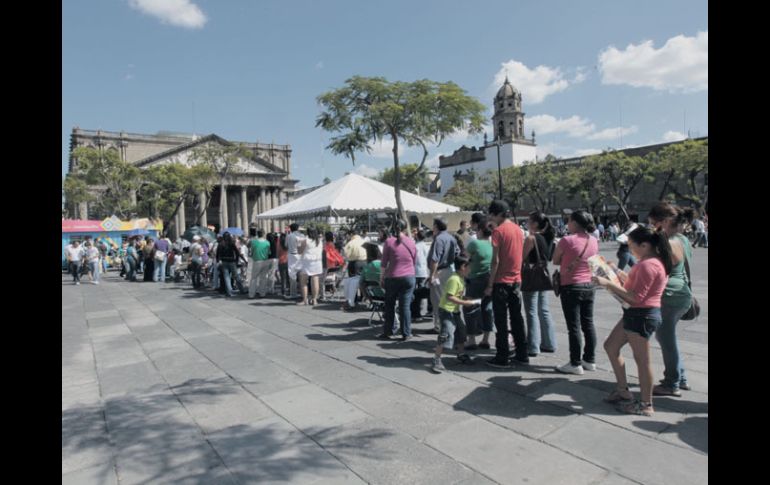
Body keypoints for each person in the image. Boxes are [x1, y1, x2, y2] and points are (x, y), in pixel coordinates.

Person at [594, 226, 673, 417]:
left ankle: (646, 405)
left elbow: (635, 297)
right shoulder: (650, 261)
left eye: (631, 246)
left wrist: (608, 283)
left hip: (641, 315)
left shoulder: (648, 265)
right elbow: (635, 283)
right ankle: (622, 390)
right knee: (611, 346)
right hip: (637, 314)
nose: (630, 250)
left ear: (644, 245)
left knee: (643, 361)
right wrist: (616, 272)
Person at [648, 203, 695, 396]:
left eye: (654, 223)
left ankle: (671, 382)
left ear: (665, 222)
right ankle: (680, 377)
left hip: (670, 295)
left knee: (666, 339)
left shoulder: (669, 242)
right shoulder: (683, 239)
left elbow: (658, 268)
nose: (652, 227)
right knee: (669, 338)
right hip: (682, 293)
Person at [552, 210, 600, 375]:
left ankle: (575, 363)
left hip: (571, 286)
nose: (567, 224)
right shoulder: (594, 240)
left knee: (573, 327)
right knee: (588, 323)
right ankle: (590, 360)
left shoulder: (566, 240)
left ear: (574, 223)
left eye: (569, 221)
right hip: (589, 284)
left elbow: (555, 260)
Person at [485, 200, 528, 368]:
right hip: (516, 280)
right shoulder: (518, 230)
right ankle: (522, 354)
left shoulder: (498, 231)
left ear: (498, 214)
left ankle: (502, 356)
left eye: (491, 214)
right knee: (517, 318)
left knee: (501, 321)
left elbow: (495, 261)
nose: (490, 217)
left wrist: (489, 284)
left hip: (501, 281)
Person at [430, 256, 478, 373]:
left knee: (461, 332)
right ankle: (436, 359)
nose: (470, 270)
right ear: (462, 267)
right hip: (446, 311)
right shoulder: (454, 279)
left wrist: (466, 299)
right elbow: (449, 296)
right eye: (469, 268)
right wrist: (464, 302)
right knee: (445, 334)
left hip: (454, 311)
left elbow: (457, 295)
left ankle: (461, 354)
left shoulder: (461, 278)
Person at [521, 212, 557, 356]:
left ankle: (533, 346)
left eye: (529, 221)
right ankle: (549, 343)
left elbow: (521, 258)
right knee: (544, 310)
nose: (527, 223)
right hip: (543, 274)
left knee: (531, 311)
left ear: (535, 223)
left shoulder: (531, 238)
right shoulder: (548, 237)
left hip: (531, 274)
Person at [380, 220, 417, 341]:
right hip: (408, 276)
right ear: (405, 228)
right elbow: (414, 260)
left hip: (393, 276)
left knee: (389, 305)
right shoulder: (411, 242)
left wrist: (381, 278)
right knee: (405, 306)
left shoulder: (389, 242)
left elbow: (384, 263)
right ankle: (406, 333)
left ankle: (388, 331)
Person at [464, 218, 494, 351]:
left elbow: (464, 258)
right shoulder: (493, 244)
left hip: (474, 279)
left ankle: (471, 339)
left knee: (470, 308)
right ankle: (486, 339)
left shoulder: (475, 244)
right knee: (487, 308)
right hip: (488, 279)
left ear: (480, 230)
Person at [428, 218, 460, 335]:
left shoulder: (439, 239)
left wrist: (432, 275)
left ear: (436, 226)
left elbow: (435, 259)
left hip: (439, 271)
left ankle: (440, 326)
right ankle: (447, 323)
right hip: (449, 270)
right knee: (447, 298)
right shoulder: (452, 238)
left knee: (437, 300)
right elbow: (458, 253)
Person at [343, 228, 368, 310]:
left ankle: (353, 299)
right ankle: (363, 297)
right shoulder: (364, 241)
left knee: (352, 282)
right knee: (362, 281)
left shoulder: (350, 243)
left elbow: (346, 255)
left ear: (351, 235)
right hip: (365, 262)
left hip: (354, 263)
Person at [298, 227, 323, 305]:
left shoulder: (305, 240)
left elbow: (299, 251)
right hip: (317, 261)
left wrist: (298, 245)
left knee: (303, 281)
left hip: (307, 262)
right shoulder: (319, 241)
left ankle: (305, 300)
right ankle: (314, 299)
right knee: (315, 280)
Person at [410, 229, 431, 321]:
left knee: (414, 293)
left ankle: (415, 311)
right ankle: (421, 308)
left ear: (417, 236)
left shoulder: (415, 246)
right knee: (422, 292)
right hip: (424, 272)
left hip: (415, 271)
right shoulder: (426, 246)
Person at [248, 229, 272, 298]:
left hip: (257, 261)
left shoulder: (254, 242)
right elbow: (269, 252)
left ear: (257, 234)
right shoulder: (267, 242)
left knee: (254, 278)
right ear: (264, 234)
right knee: (263, 278)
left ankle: (251, 294)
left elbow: (251, 252)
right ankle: (262, 293)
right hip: (265, 260)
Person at [322, 231, 345, 300]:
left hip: (327, 265)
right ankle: (332, 287)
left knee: (321, 280)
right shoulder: (334, 245)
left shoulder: (325, 245)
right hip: (334, 266)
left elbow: (327, 256)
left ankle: (322, 294)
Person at [216, 232, 240, 297]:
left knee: (227, 277)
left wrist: (218, 261)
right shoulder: (231, 243)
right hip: (231, 261)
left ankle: (229, 292)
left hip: (224, 261)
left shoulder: (220, 244)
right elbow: (237, 252)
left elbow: (217, 254)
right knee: (236, 276)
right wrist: (237, 260)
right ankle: (241, 289)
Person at [286, 223, 306, 299]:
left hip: (292, 255)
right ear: (298, 228)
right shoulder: (302, 236)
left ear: (291, 229)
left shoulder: (289, 236)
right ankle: (303, 292)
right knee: (301, 275)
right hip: (301, 255)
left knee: (292, 275)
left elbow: (286, 245)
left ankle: (293, 293)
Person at [278, 232, 290, 297]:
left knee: (283, 278)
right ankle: (289, 290)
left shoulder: (279, 244)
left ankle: (283, 292)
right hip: (288, 261)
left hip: (281, 261)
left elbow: (278, 253)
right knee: (288, 277)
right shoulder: (288, 244)